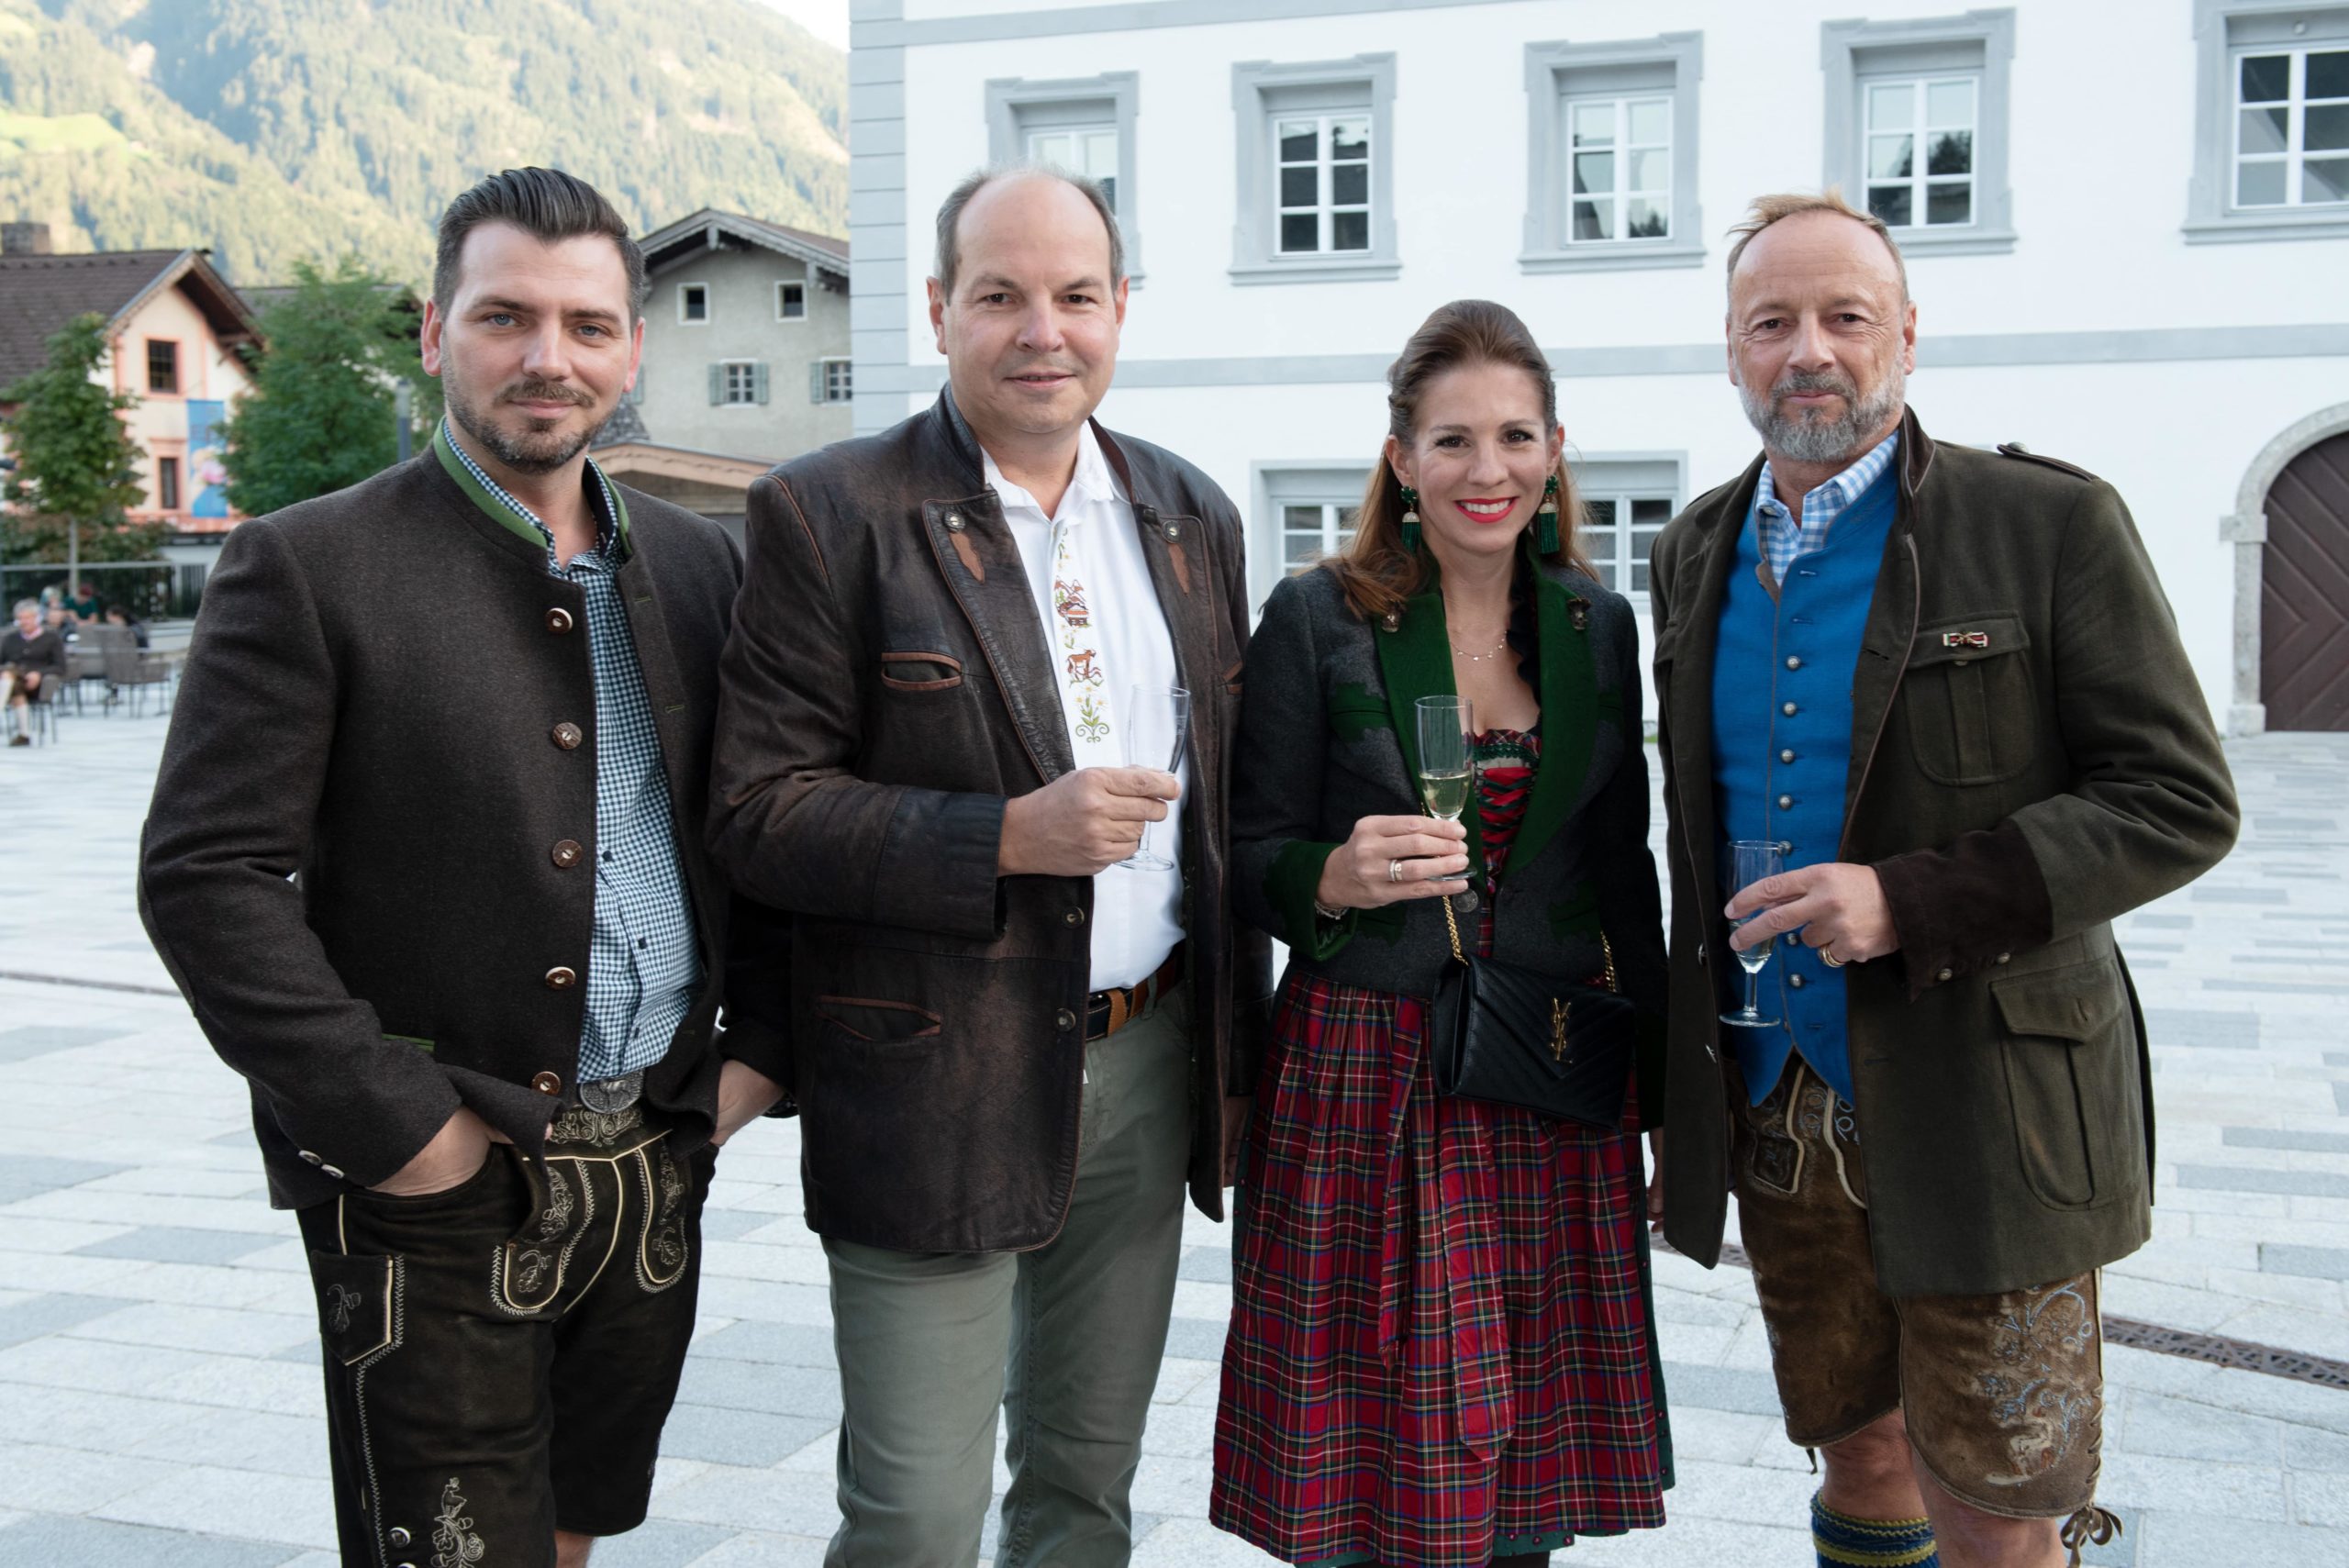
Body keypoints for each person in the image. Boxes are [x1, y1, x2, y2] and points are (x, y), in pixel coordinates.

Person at [139, 166, 788, 1568]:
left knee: (573, 1529)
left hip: (658, 1154)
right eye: (505, 317)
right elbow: (206, 877)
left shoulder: (703, 567)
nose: (550, 358)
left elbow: (769, 825)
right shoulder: (308, 565)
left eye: (588, 326)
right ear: (438, 333)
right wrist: (401, 1130)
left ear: (631, 350)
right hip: (438, 1177)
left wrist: (753, 1066)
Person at [1649, 191, 2241, 1568]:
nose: (1809, 350)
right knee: (1858, 1444)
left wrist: (1908, 901)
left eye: (1845, 317)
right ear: (1732, 349)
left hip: (1989, 1105)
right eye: (1771, 322)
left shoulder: (2046, 522)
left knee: (1998, 1501)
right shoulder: (1690, 548)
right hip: (1777, 1099)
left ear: (1906, 335)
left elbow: (2179, 799)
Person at [707, 164, 1270, 1568]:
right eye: (1001, 294)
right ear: (940, 308)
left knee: (1084, 1492)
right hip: (931, 1078)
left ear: (1120, 307)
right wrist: (1008, 835)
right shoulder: (831, 511)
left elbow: (1232, 808)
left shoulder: (1192, 513)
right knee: (916, 1519)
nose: (1042, 330)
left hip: (1147, 1062)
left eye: (1076, 295)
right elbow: (759, 811)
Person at [1211, 300, 1671, 1568]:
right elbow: (1243, 854)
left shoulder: (1593, 622)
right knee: (1369, 1441)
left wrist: (1663, 1095)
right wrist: (1332, 874)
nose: (1488, 468)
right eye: (1453, 439)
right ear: (1402, 459)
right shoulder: (1322, 614)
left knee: (1525, 1457)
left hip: (1547, 1069)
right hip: (1366, 1064)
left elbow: (1623, 871)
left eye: (1516, 436)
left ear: (1555, 450)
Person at [3, 598, 70, 743]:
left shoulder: (51, 638)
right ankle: (24, 735)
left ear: (37, 617)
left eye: (27, 618)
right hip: (13, 683)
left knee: (8, 677)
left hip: (37, 685)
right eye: (20, 618)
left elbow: (60, 666)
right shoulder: (10, 639)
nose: (24, 622)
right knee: (9, 675)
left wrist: (39, 674)